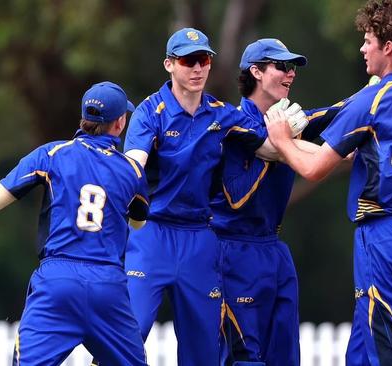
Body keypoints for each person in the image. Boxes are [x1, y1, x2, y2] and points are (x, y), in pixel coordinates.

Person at [264, 1, 392, 364]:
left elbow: (315, 168)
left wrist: (283, 140)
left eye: (368, 41)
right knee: (363, 351)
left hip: (382, 235)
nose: (363, 49)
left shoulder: (373, 98)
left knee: (389, 347)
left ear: (388, 47)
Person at [121, 28, 282, 365]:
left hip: (198, 238)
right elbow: (132, 167)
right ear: (169, 64)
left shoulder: (220, 113)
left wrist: (334, 148)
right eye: (188, 60)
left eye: (204, 60)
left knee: (203, 350)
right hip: (152, 234)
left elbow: (270, 148)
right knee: (127, 335)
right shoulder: (150, 112)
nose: (197, 68)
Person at [0, 82, 149, 365]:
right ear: (120, 123)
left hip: (58, 281)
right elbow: (138, 223)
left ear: (83, 118)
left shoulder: (52, 154)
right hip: (107, 286)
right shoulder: (131, 170)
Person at [210, 38, 340, 366]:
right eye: (281, 66)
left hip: (275, 251)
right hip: (235, 249)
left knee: (285, 356)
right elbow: (236, 200)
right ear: (255, 71)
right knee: (244, 356)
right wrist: (283, 146)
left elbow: (331, 116)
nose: (290, 73)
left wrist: (374, 96)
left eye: (292, 67)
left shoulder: (285, 123)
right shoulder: (232, 124)